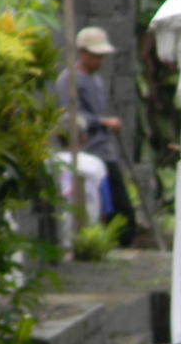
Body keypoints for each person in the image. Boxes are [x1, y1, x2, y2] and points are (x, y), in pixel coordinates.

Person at [55, 26, 136, 246]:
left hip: (104, 149)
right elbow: (70, 116)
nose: (99, 62)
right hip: (86, 150)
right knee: (102, 203)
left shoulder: (96, 80)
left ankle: (117, 243)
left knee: (120, 205)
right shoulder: (69, 80)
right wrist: (102, 121)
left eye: (101, 57)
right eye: (95, 56)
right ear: (82, 52)